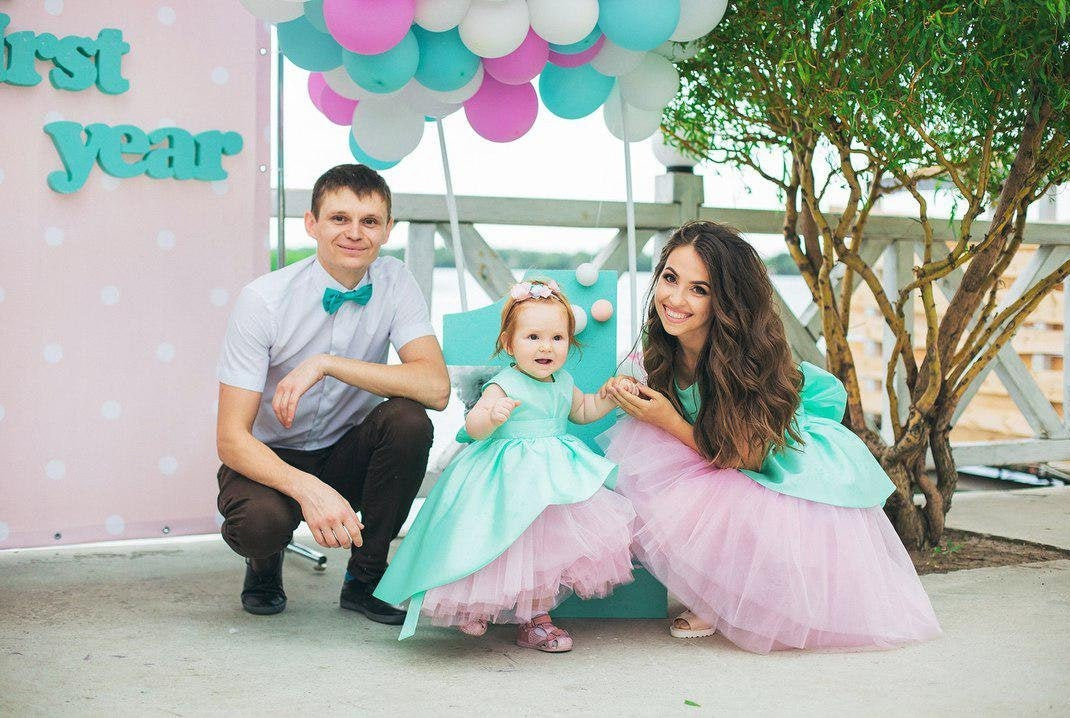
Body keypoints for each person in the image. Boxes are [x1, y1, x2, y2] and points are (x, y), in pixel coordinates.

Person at [599, 220, 942, 653]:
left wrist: (667, 419)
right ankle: (711, 584)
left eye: (699, 289)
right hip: (712, 442)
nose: (676, 299)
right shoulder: (663, 340)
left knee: (726, 496)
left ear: (726, 301)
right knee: (647, 458)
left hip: (771, 458)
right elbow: (660, 394)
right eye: (670, 278)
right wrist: (627, 389)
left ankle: (723, 598)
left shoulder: (747, 358)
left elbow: (744, 455)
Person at [215, 164, 449, 622]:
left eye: (369, 221)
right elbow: (230, 439)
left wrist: (327, 364)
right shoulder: (263, 300)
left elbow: (436, 389)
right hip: (269, 459)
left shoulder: (396, 281)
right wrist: (310, 491)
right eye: (340, 218)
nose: (354, 233)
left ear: (387, 230)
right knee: (260, 526)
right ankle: (264, 563)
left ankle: (366, 579)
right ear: (312, 224)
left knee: (409, 420)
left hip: (345, 450)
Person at [374, 279, 636, 652]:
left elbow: (582, 411)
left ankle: (535, 620)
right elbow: (472, 426)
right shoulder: (503, 383)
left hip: (551, 481)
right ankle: (477, 604)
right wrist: (491, 416)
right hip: (503, 479)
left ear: (569, 342)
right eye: (533, 337)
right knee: (489, 538)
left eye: (557, 338)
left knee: (541, 551)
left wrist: (608, 398)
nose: (546, 346)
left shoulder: (564, 381)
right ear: (509, 343)